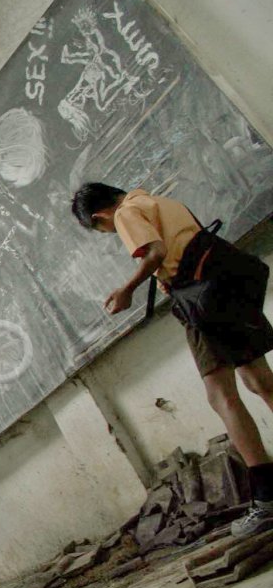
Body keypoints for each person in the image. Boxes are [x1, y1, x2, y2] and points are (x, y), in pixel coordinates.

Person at [72, 183, 273, 537]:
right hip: (230, 284)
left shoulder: (125, 213)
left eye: (102, 230)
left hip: (202, 299)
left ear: (98, 217)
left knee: (221, 396)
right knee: (260, 380)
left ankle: (268, 498)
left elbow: (155, 252)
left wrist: (127, 290)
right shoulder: (157, 200)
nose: (109, 232)